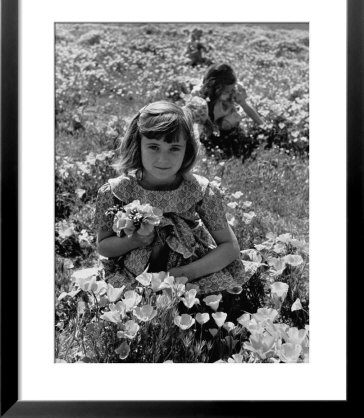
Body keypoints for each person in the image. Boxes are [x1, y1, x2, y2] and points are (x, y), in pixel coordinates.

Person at [94, 101, 249, 294]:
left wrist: (185, 274)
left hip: (190, 275)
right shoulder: (117, 191)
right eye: (153, 147)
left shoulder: (199, 191)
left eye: (174, 148)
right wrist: (133, 241)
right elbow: (104, 247)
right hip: (133, 276)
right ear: (137, 145)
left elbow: (230, 247)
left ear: (187, 150)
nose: (163, 159)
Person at [189, 62, 264, 133]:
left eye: (231, 89)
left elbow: (246, 107)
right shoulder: (200, 95)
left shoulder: (234, 89)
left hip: (225, 119)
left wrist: (263, 126)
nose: (230, 92)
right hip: (208, 120)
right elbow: (195, 124)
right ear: (216, 88)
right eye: (226, 91)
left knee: (229, 123)